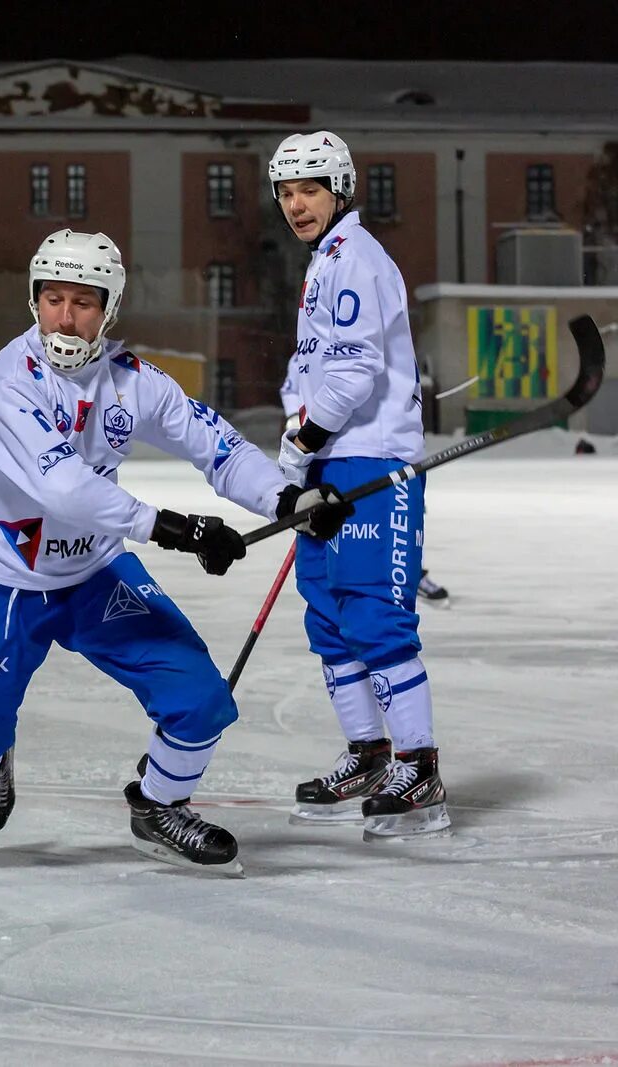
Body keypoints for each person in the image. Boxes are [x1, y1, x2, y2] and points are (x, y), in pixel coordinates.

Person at [0, 229, 349, 874]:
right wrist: (175, 528)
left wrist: (286, 502)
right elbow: (62, 486)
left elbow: (220, 449)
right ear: (33, 300)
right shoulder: (10, 378)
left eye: (84, 302)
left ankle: (158, 806)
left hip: (92, 572)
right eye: (53, 299)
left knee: (198, 696)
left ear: (109, 308)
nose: (66, 317)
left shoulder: (133, 381)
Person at [269, 131, 450, 838]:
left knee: (374, 616)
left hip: (374, 462)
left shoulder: (357, 259)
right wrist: (299, 445)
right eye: (285, 193)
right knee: (327, 617)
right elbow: (308, 370)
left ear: (339, 189)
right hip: (330, 463)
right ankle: (370, 754)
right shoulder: (323, 264)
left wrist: (303, 441)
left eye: (309, 189)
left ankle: (420, 764)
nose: (296, 204)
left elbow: (353, 371)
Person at [287, 361, 450, 609]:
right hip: (323, 456)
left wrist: (305, 441)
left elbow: (357, 371)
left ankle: (407, 570)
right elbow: (291, 391)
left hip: (371, 450)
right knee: (325, 598)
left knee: (381, 547)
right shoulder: (301, 352)